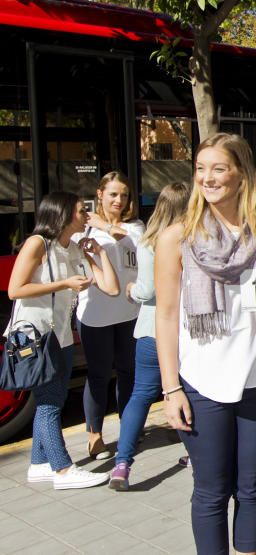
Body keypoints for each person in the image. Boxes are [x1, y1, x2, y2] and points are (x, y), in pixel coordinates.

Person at [155, 133, 256, 555]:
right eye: (200, 169)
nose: (207, 178)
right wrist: (170, 388)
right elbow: (166, 316)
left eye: (218, 168)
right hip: (200, 382)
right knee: (211, 491)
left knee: (252, 484)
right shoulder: (176, 238)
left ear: (241, 174)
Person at [10, 192, 119, 490]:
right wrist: (64, 284)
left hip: (59, 336)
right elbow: (15, 289)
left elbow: (110, 287)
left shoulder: (73, 249)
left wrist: (100, 253)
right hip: (34, 335)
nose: (86, 216)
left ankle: (38, 464)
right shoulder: (37, 244)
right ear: (62, 214)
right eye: (81, 211)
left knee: (51, 399)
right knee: (49, 402)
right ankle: (62, 469)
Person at [110, 182, 190, 491]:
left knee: (141, 395)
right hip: (184, 333)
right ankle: (196, 453)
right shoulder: (194, 239)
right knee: (187, 392)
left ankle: (122, 463)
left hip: (149, 330)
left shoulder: (148, 241)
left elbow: (147, 290)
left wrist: (130, 291)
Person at [74, 171, 145, 460]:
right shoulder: (85, 229)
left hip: (129, 312)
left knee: (128, 372)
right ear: (100, 194)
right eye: (113, 194)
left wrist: (112, 227)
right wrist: (101, 226)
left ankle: (129, 429)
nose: (119, 200)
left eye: (124, 194)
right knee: (99, 374)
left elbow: (144, 250)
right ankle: (95, 436)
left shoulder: (136, 226)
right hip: (96, 314)